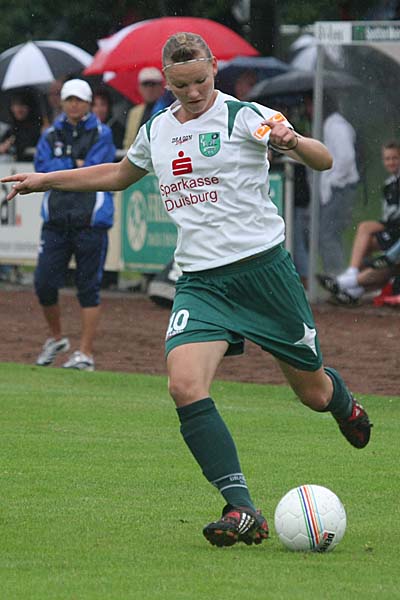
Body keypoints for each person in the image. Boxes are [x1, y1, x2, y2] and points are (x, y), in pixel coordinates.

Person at [2, 33, 372, 547]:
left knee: (313, 394)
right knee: (183, 385)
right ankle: (242, 508)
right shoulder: (156, 129)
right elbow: (119, 174)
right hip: (201, 282)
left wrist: (292, 142)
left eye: (200, 80)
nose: (194, 92)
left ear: (214, 67)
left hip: (264, 274)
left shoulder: (245, 115)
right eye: (181, 85)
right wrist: (45, 180)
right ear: (167, 81)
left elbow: (323, 159)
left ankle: (343, 403)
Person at [22, 78, 115, 370]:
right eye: (69, 100)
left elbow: (96, 171)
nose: (74, 105)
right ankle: (56, 338)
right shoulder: (50, 134)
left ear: (88, 104)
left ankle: (85, 353)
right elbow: (41, 169)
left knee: (88, 288)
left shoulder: (102, 132)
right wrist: (74, 165)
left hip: (91, 220)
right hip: (56, 220)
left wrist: (65, 169)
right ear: (62, 103)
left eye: (79, 100)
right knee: (44, 284)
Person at [318, 141, 400, 304]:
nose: (391, 162)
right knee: (369, 243)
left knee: (387, 263)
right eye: (387, 158)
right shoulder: (390, 184)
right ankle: (352, 285)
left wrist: (390, 256)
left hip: (396, 231)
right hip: (394, 230)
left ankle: (347, 283)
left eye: (395, 158)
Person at [305, 94, 360, 275]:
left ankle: (336, 276)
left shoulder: (335, 126)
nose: (309, 111)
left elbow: (346, 158)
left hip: (340, 188)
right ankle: (336, 274)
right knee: (329, 234)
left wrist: (331, 182)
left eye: (311, 105)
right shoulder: (329, 125)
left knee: (327, 235)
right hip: (337, 188)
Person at [122, 67, 165, 149]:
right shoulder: (134, 112)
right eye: (145, 85)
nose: (149, 89)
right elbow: (129, 142)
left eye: (153, 84)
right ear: (139, 88)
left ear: (161, 87)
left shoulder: (169, 109)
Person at [0, 90, 42, 161]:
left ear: (29, 107)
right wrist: (5, 146)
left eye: (23, 105)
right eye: (15, 105)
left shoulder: (38, 128)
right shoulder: (11, 129)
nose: (19, 109)